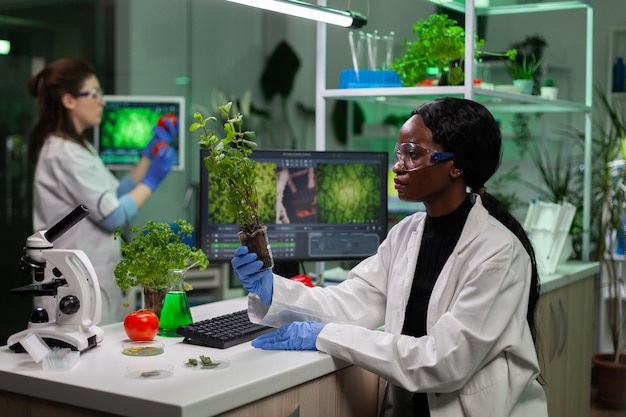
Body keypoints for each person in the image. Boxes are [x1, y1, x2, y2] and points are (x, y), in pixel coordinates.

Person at [231, 97, 548, 417]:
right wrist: (271, 289)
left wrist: (324, 335)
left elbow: (443, 363)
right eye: (400, 154)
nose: (398, 165)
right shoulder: (407, 233)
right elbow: (352, 302)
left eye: (413, 154)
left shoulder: (498, 253)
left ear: (456, 166)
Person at [27, 58, 177, 325]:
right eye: (94, 93)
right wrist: (152, 181)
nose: (102, 102)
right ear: (69, 100)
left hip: (90, 279)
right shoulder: (64, 154)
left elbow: (114, 195)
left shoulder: (79, 148)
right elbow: (113, 216)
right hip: (73, 284)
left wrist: (148, 156)